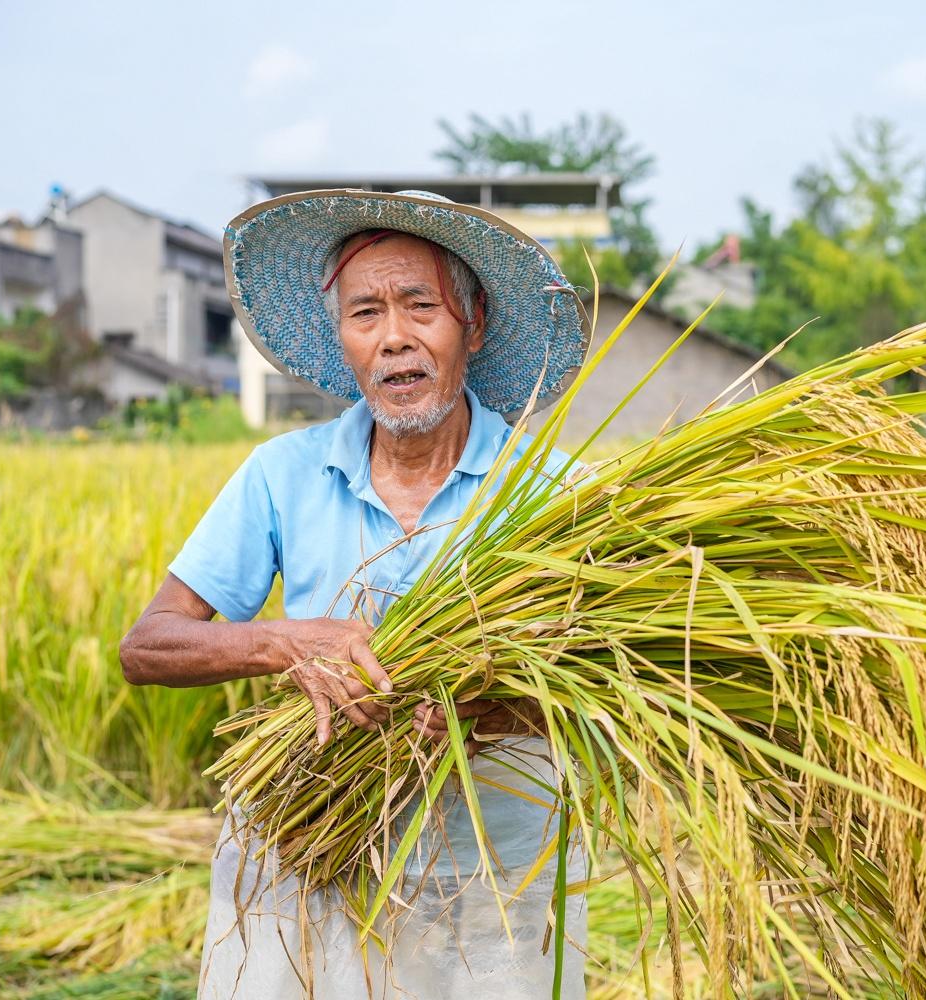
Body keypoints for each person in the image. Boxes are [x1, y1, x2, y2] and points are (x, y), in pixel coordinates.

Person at [117, 188, 593, 999]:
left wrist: (495, 704)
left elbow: (610, 678)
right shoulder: (281, 474)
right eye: (366, 313)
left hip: (491, 863)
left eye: (420, 307)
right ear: (343, 339)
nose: (395, 338)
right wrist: (284, 641)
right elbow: (147, 647)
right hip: (304, 836)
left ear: (471, 326)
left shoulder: (551, 490)